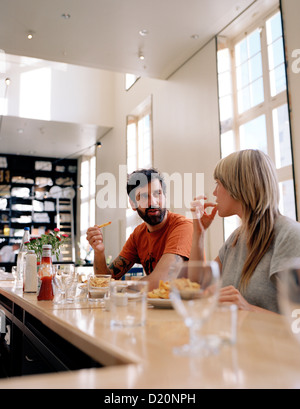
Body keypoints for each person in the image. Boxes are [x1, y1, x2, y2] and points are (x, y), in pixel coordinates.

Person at [190, 149, 300, 314]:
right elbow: (197, 282)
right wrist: (199, 233)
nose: (214, 193)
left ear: (238, 187)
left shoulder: (290, 236)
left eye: (218, 183)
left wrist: (248, 309)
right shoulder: (237, 237)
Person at [86, 168, 193, 290]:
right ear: (132, 204)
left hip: (188, 306)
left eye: (157, 193)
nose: (152, 202)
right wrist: (99, 252)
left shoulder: (183, 226)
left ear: (165, 197)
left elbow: (161, 279)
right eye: (143, 196)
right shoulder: (138, 234)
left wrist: (123, 291)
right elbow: (105, 279)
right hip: (155, 306)